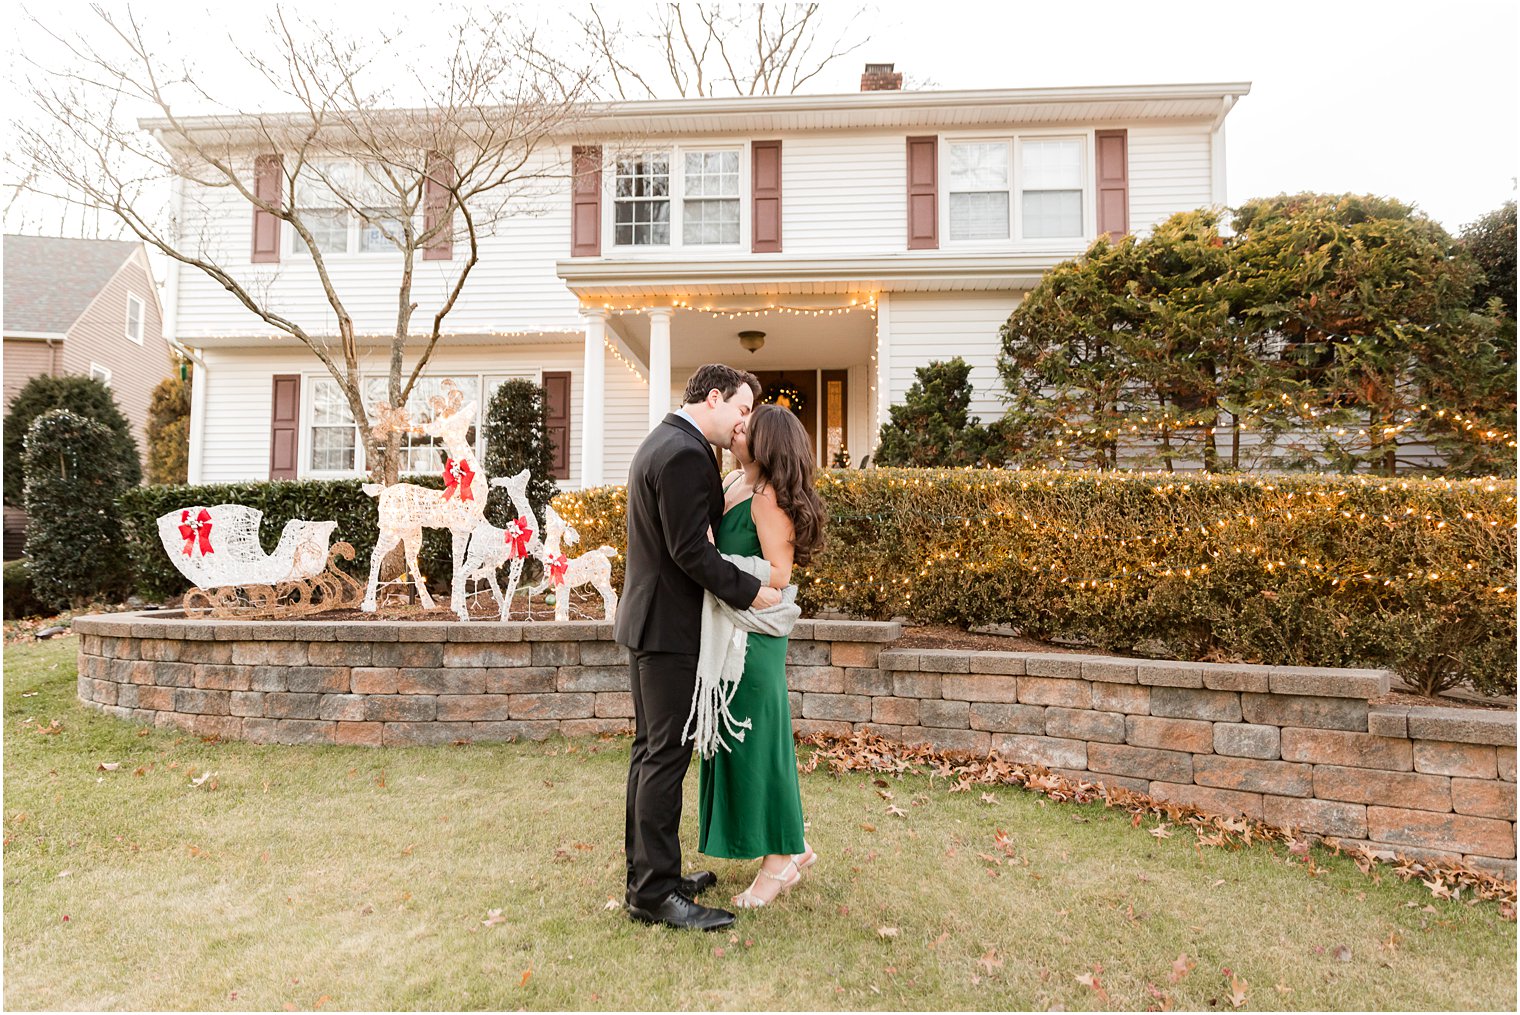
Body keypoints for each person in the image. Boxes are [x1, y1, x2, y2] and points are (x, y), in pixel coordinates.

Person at [616, 364, 783, 932]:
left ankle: (650, 876)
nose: (744, 423)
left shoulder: (663, 439)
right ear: (713, 397)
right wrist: (751, 591)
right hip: (670, 630)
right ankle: (656, 893)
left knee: (650, 753)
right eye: (740, 409)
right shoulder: (686, 454)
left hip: (647, 622)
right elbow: (692, 551)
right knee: (665, 757)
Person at [699, 403, 827, 908]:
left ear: (767, 443)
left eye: (748, 428)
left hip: (752, 640)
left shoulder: (769, 497)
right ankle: (795, 846)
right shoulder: (734, 483)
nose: (738, 428)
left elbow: (779, 574)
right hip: (729, 628)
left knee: (757, 744)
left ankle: (780, 862)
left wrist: (712, 560)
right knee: (740, 745)